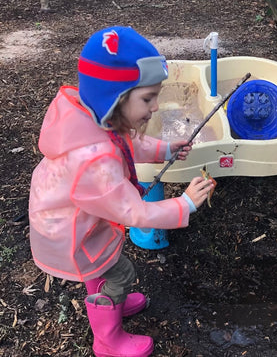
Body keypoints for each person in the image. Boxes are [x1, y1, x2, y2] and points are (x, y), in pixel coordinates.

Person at [28, 26, 214, 357]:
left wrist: (164, 149)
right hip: (72, 234)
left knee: (105, 270)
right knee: (122, 271)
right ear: (114, 97)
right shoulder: (93, 162)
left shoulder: (94, 118)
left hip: (71, 219)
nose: (155, 106)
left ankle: (109, 298)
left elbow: (127, 142)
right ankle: (108, 339)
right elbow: (133, 212)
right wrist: (184, 204)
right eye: (147, 98)